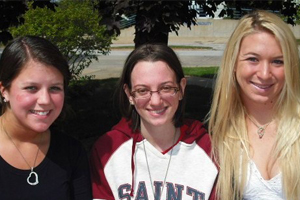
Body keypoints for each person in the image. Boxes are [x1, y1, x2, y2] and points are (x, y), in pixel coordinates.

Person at [90, 43, 218, 200]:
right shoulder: (108, 149)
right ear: (129, 94)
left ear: (181, 88)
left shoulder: (211, 151)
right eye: (142, 90)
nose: (156, 101)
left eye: (166, 88)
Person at [208, 10, 300, 200]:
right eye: (253, 59)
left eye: (277, 61)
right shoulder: (215, 137)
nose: (265, 73)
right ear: (233, 63)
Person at [0, 36, 92, 199]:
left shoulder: (72, 152)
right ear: (4, 90)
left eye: (55, 88)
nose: (45, 100)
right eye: (31, 88)